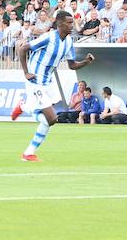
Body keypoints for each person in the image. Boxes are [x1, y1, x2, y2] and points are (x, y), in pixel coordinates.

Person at [8, 11, 96, 162]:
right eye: (69, 23)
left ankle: (29, 152)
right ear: (60, 24)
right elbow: (23, 49)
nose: (71, 25)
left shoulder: (68, 42)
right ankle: (24, 108)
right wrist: (26, 72)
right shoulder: (49, 37)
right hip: (35, 81)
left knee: (49, 119)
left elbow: (72, 65)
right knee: (51, 119)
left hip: (48, 82)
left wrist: (86, 62)